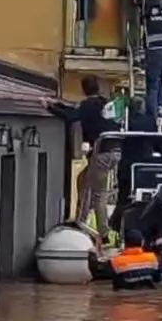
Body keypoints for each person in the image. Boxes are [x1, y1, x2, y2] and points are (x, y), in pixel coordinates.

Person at [47, 75, 120, 251]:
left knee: (96, 193)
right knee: (84, 180)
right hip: (115, 150)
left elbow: (72, 116)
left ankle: (99, 230)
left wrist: (50, 108)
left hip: (101, 152)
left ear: (83, 89)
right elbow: (75, 108)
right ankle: (84, 219)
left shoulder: (88, 106)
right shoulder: (104, 103)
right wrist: (57, 103)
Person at [108, 96, 162, 236]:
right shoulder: (150, 121)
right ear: (142, 107)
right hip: (146, 166)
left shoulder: (125, 122)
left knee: (123, 197)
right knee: (148, 199)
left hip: (127, 165)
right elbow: (158, 142)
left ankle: (116, 227)